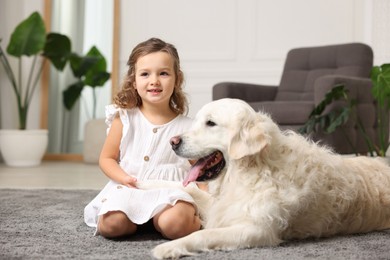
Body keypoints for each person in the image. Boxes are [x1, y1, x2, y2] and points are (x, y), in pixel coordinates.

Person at [84, 38, 202, 239]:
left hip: (170, 193)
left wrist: (210, 201)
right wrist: (123, 178)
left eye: (163, 73)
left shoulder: (188, 127)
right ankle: (137, 221)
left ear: (177, 79)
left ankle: (178, 221)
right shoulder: (124, 118)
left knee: (176, 225)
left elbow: (200, 169)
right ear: (134, 80)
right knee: (111, 226)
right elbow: (107, 158)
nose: (154, 80)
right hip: (130, 189)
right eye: (145, 74)